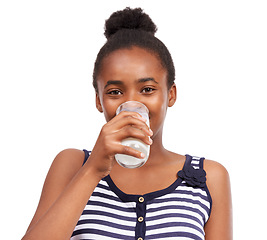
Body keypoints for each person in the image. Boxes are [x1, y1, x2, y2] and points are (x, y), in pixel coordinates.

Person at [22, 7, 232, 240]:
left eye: (147, 89)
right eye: (115, 92)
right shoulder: (73, 166)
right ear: (99, 101)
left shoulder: (207, 178)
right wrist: (93, 170)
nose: (131, 103)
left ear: (170, 95)